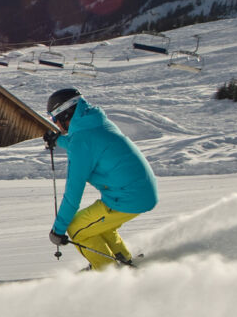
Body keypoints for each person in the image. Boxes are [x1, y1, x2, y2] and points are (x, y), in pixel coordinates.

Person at [44, 88, 158, 270]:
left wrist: (58, 230)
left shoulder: (81, 141)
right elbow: (87, 144)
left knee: (76, 229)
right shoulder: (97, 123)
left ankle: (107, 272)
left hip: (126, 198)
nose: (55, 124)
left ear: (65, 115)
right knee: (98, 225)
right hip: (142, 192)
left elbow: (73, 195)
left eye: (53, 118)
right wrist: (59, 141)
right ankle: (122, 260)